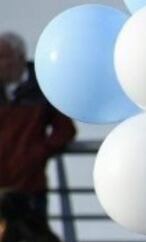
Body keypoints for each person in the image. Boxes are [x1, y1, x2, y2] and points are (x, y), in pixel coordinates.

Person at [0, 32, 77, 217]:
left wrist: (38, 152)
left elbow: (65, 129)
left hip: (30, 187)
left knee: (31, 233)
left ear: (19, 58)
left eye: (3, 58)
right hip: (4, 184)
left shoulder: (43, 86)